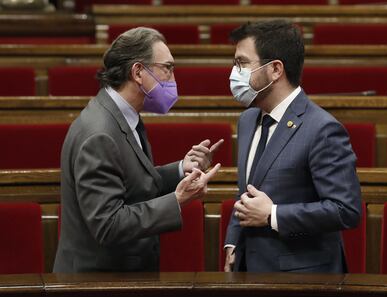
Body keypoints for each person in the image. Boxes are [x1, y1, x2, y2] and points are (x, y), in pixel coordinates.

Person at [53, 27, 222, 272]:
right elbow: (108, 224)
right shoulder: (99, 134)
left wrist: (180, 169)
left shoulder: (121, 115)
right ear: (139, 72)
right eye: (168, 68)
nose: (173, 80)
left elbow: (133, 182)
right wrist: (177, 200)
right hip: (96, 282)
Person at [224, 20, 361, 273]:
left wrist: (273, 214)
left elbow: (345, 210)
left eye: (242, 63)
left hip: (303, 277)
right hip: (249, 270)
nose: (234, 73)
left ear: (275, 69)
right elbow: (246, 192)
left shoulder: (322, 129)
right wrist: (233, 241)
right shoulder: (247, 120)